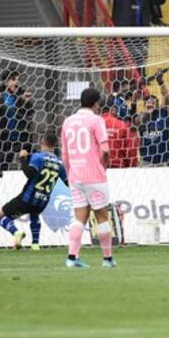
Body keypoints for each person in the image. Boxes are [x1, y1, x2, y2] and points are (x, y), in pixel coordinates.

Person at [60, 87, 116, 268]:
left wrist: (70, 174)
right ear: (96, 103)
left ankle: (71, 258)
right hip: (94, 175)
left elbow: (65, 154)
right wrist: (103, 165)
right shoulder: (96, 120)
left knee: (79, 218)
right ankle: (107, 259)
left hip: (75, 176)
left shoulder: (67, 122)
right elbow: (105, 149)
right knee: (101, 216)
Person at [0, 132, 67, 251]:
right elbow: (67, 182)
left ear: (42, 142)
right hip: (43, 201)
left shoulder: (38, 156)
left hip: (27, 199)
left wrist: (23, 158)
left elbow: (29, 173)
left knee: (0, 215)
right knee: (34, 215)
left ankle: (16, 232)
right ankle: (35, 245)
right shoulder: (60, 163)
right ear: (55, 145)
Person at [136, 71, 169, 167]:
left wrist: (161, 82)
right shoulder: (141, 117)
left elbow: (166, 97)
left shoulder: (163, 113)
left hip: (163, 161)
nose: (149, 102)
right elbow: (134, 122)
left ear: (157, 105)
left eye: (152, 101)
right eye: (147, 101)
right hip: (146, 162)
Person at [101, 98, 139, 168]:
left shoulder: (94, 124)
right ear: (113, 109)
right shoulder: (122, 125)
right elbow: (130, 150)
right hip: (118, 167)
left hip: (97, 167)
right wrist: (133, 166)